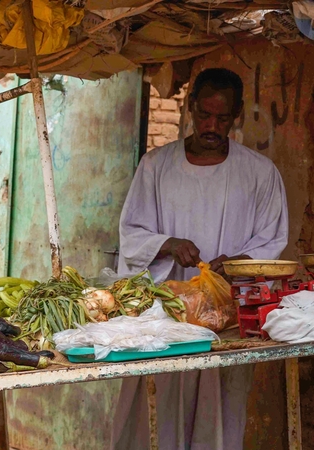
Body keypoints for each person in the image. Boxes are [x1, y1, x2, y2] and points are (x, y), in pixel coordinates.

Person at [111, 68, 288, 449]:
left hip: (229, 322)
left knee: (223, 408)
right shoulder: (156, 166)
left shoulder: (259, 173)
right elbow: (131, 234)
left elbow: (272, 238)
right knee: (169, 405)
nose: (211, 125)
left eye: (222, 118)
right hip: (170, 319)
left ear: (237, 114)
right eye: (204, 115)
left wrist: (240, 262)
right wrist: (168, 243)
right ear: (191, 108)